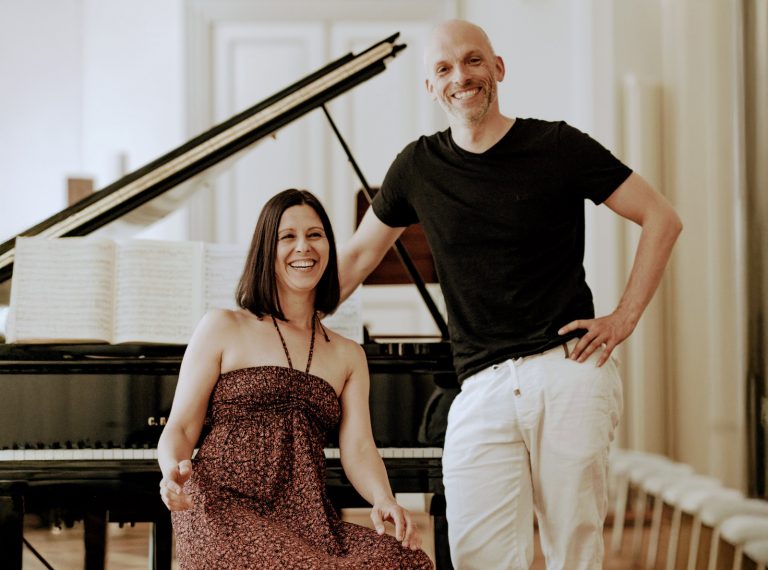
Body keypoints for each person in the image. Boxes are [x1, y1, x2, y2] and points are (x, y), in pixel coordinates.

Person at [338, 19, 683, 570]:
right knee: (478, 557)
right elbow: (357, 257)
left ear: (498, 68)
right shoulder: (417, 166)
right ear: (430, 86)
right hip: (479, 387)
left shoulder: (558, 145)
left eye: (473, 60)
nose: (460, 76)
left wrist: (623, 318)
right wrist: (275, 317)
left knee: (574, 554)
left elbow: (662, 218)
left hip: (567, 371)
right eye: (444, 68)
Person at [157, 189, 433, 569]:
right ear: (266, 251)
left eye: (315, 234)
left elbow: (358, 448)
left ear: (329, 246)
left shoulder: (348, 354)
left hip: (307, 518)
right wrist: (171, 471)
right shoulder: (222, 326)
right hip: (220, 506)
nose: (303, 247)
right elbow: (181, 427)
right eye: (287, 236)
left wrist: (383, 498)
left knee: (406, 560)